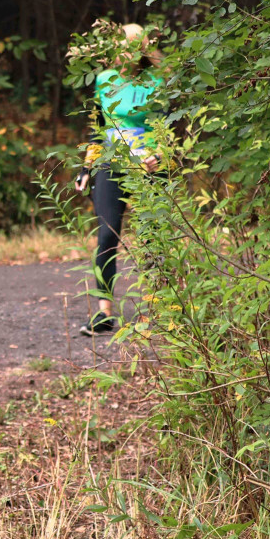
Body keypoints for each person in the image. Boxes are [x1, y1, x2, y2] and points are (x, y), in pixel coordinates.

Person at [74, 23, 165, 336]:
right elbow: (97, 128)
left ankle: (163, 310)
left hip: (148, 165)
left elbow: (166, 124)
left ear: (142, 48)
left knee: (154, 238)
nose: (124, 52)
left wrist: (159, 156)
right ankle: (104, 314)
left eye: (131, 46)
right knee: (107, 235)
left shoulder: (156, 80)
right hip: (111, 163)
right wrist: (86, 169)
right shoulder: (104, 79)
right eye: (120, 47)